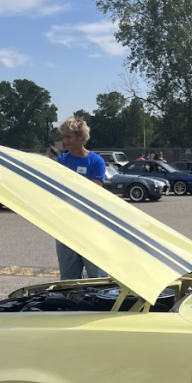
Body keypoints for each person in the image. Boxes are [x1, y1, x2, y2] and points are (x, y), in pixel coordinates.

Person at [54, 115, 107, 279]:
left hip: (90, 226)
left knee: (97, 276)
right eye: (63, 137)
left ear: (81, 137)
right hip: (65, 226)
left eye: (69, 137)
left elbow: (94, 191)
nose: (65, 141)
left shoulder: (96, 162)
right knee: (68, 279)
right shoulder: (61, 160)